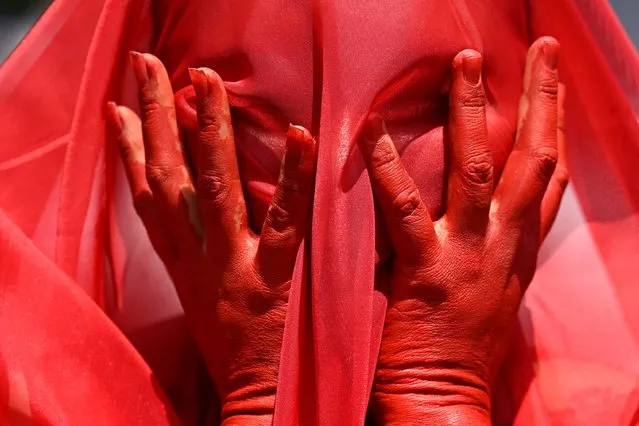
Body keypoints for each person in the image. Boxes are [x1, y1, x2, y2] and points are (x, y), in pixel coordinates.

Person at [0, 1, 637, 425]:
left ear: (536, 116)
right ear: (162, 132)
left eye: (426, 106)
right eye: (241, 113)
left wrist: (437, 389)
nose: (336, 170)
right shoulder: (39, 396)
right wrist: (261, 398)